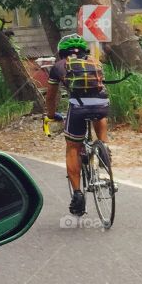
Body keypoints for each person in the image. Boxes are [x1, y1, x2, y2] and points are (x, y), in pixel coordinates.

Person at [44, 34, 110, 217]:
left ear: (61, 52)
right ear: (84, 50)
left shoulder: (59, 66)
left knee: (73, 147)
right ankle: (103, 147)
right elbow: (101, 87)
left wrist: (50, 115)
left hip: (78, 109)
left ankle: (78, 195)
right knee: (100, 112)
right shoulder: (95, 62)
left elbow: (50, 96)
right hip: (101, 105)